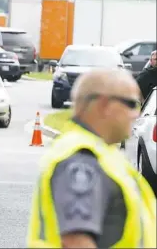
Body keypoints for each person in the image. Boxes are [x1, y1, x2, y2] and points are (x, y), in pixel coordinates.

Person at [26, 69, 156, 248]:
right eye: (131, 104)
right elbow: (76, 242)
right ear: (103, 105)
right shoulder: (82, 159)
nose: (136, 114)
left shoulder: (103, 153)